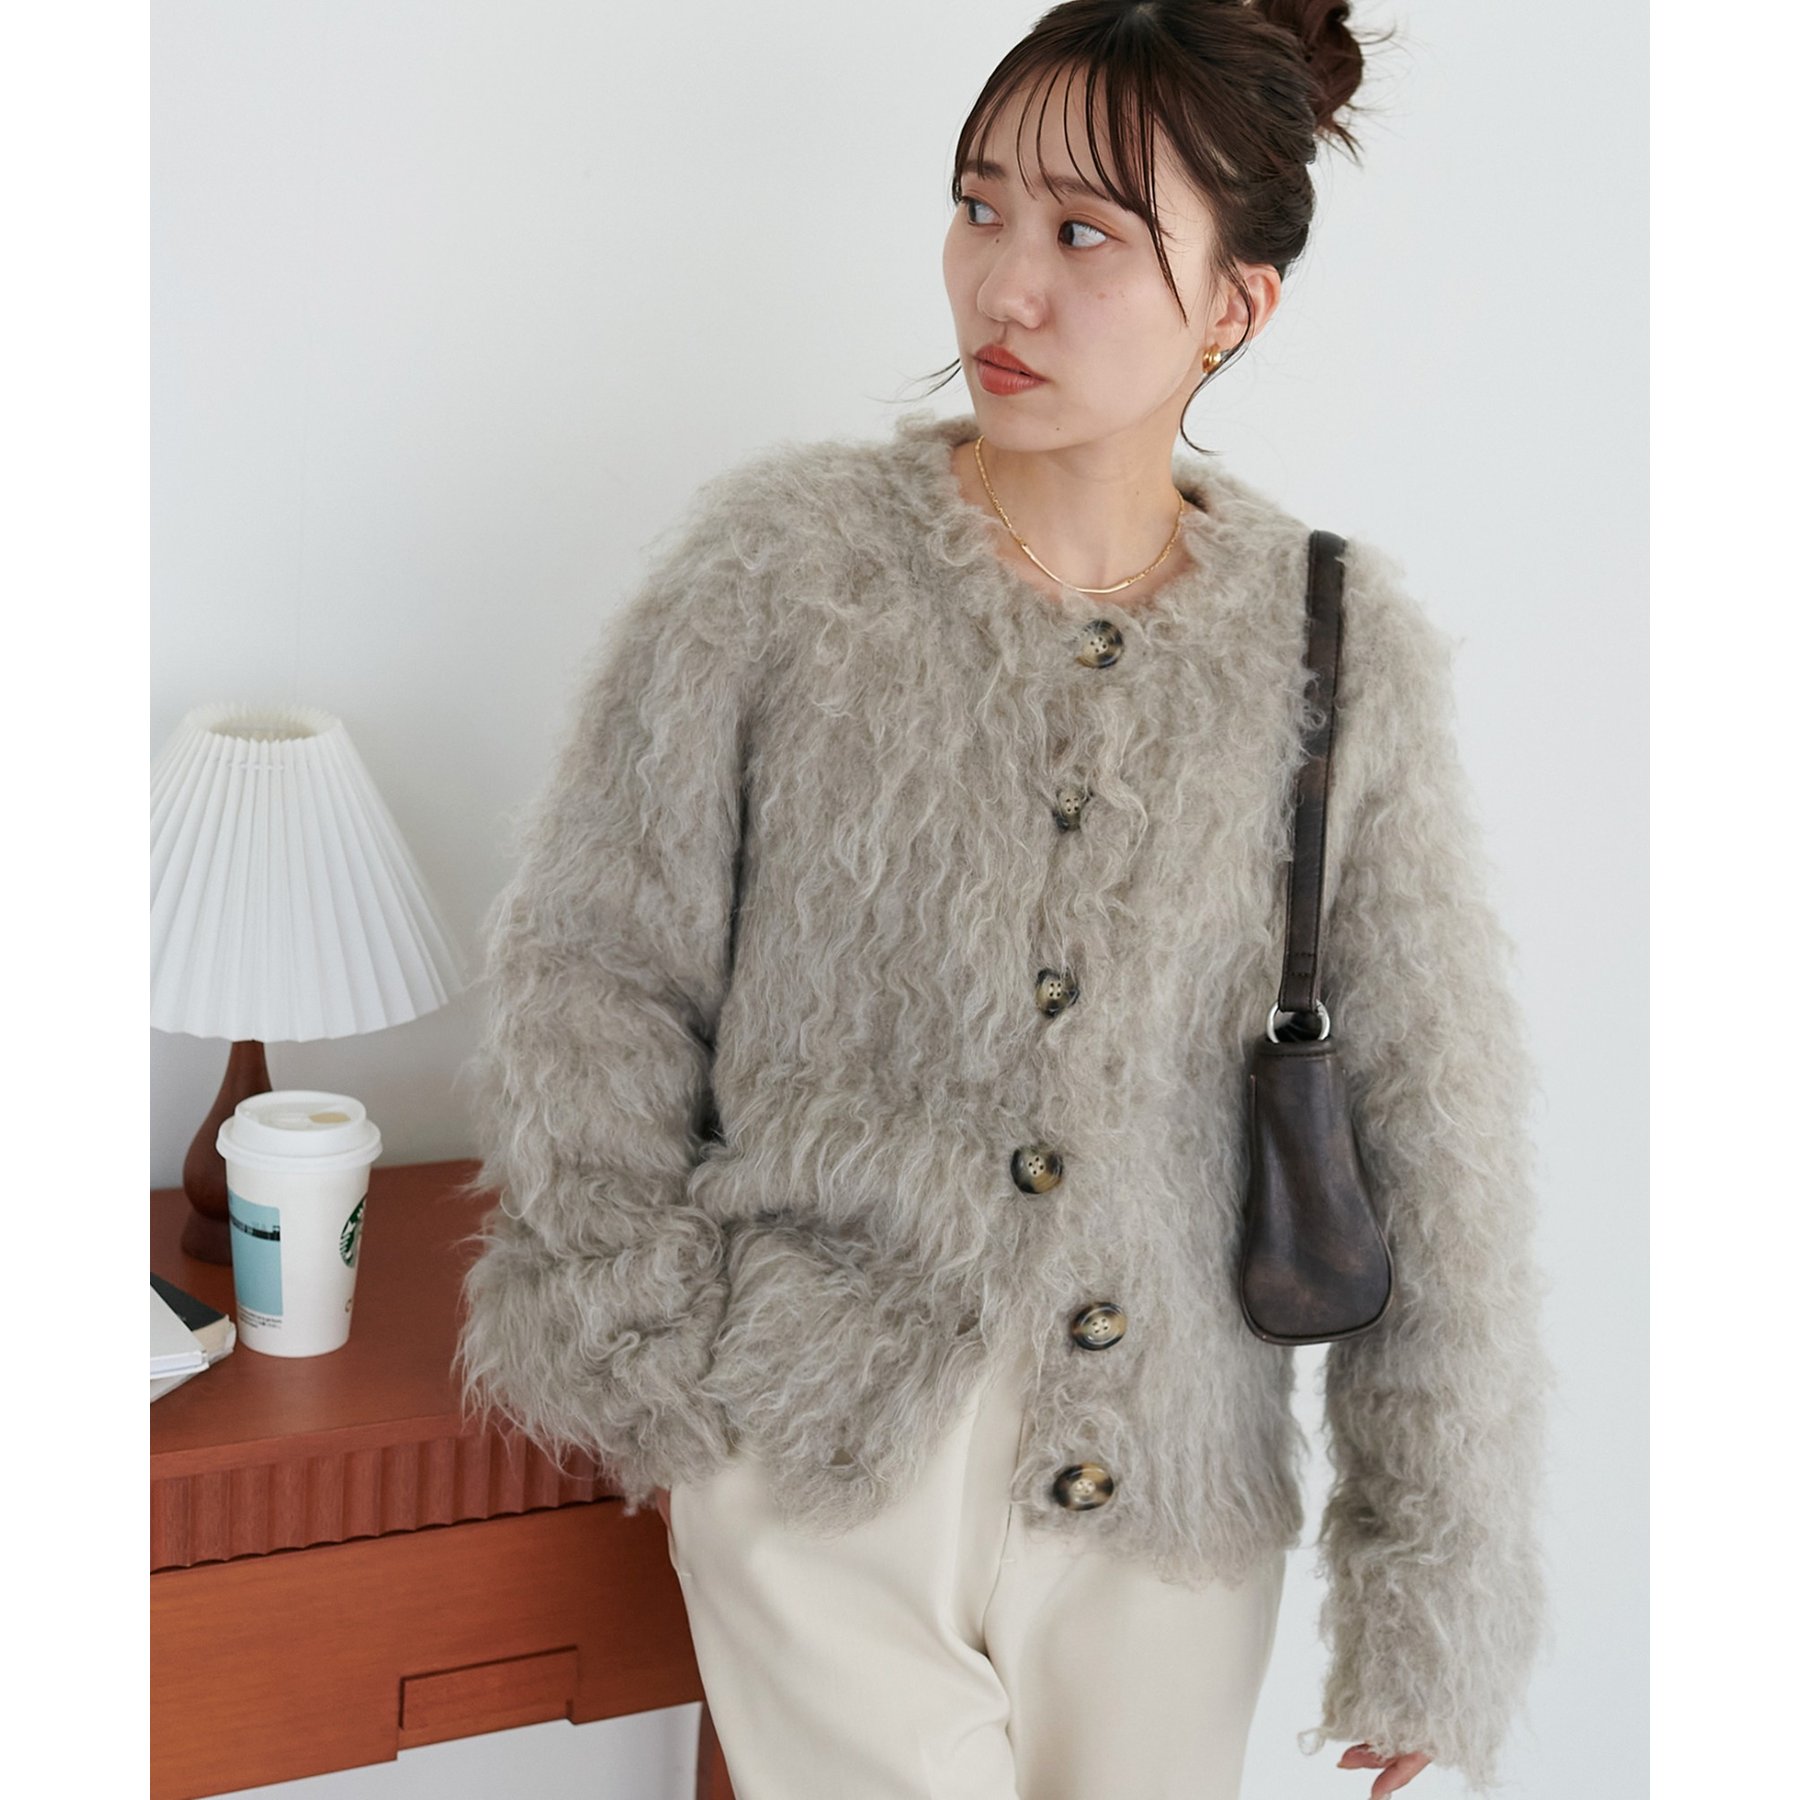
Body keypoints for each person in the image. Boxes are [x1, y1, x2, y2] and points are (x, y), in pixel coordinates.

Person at [451, 5, 1553, 1798]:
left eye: (1086, 233)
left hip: (1169, 1504)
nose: (1005, 284)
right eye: (981, 207)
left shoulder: (1337, 648)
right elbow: (596, 969)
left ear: (1236, 306)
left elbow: (1436, 1129)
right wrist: (661, 1359)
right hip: (819, 1458)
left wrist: (1432, 1583)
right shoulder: (777, 575)